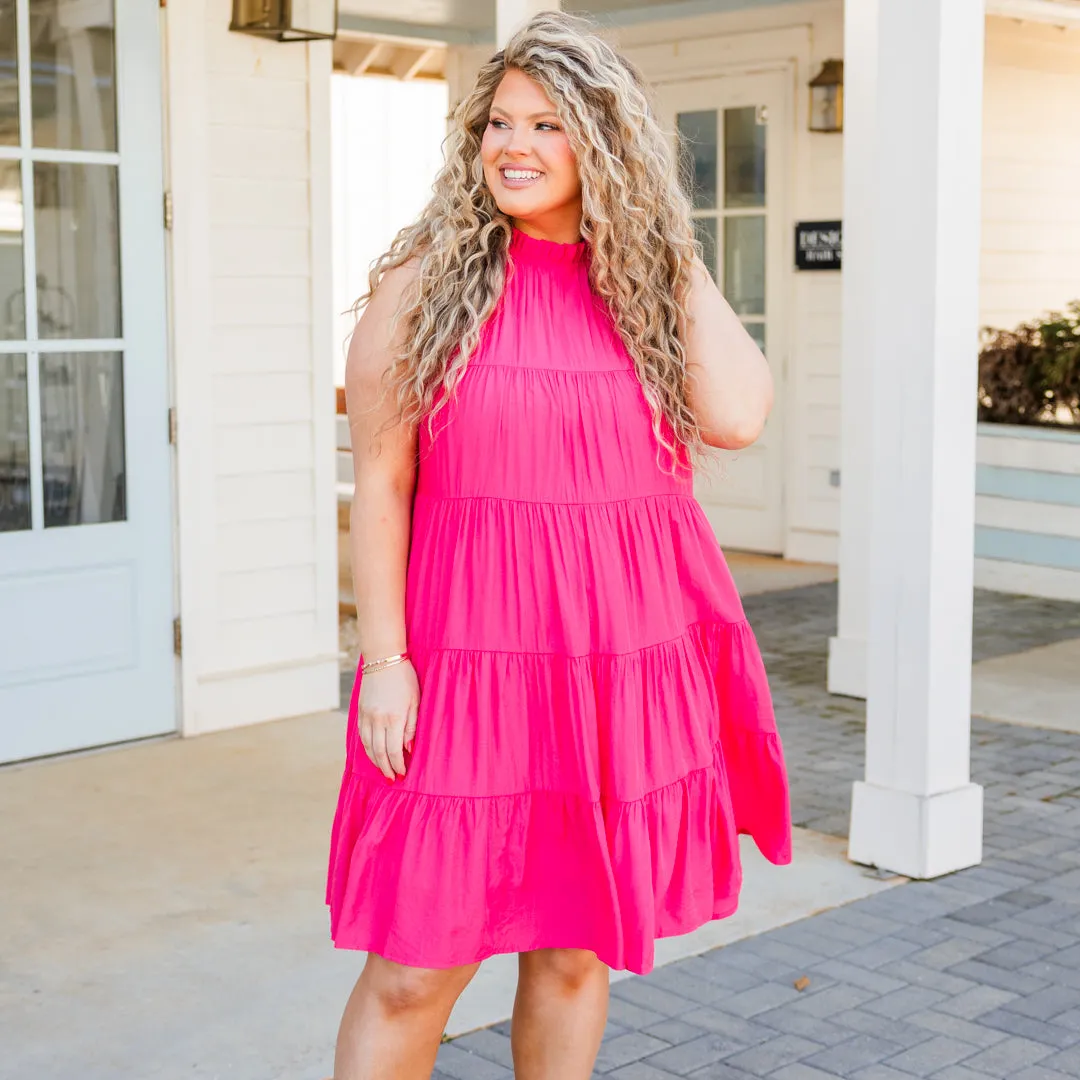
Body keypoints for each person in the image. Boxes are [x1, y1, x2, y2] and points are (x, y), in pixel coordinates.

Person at [325, 11, 792, 1079]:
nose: (515, 146)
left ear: (607, 144)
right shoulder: (422, 289)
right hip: (460, 663)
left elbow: (740, 415)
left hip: (609, 665)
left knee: (574, 954)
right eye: (499, 123)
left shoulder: (644, 292)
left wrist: (665, 249)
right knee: (413, 968)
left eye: (551, 124)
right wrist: (386, 662)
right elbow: (383, 484)